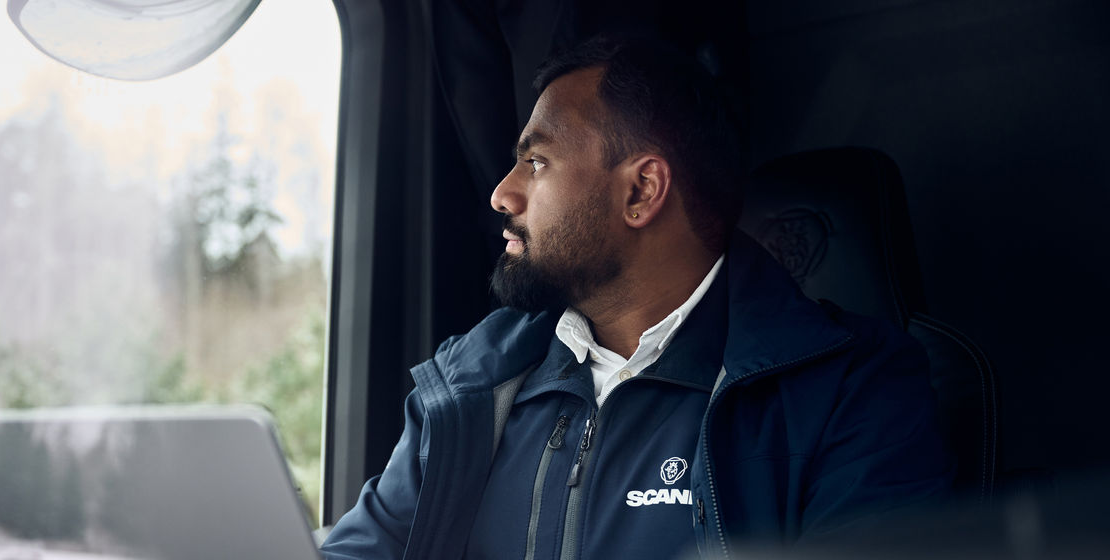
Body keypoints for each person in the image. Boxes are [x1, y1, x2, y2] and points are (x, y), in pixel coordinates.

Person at [320, 35, 952, 559]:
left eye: (536, 163)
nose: (502, 194)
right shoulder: (470, 383)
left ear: (642, 191)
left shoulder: (854, 393)